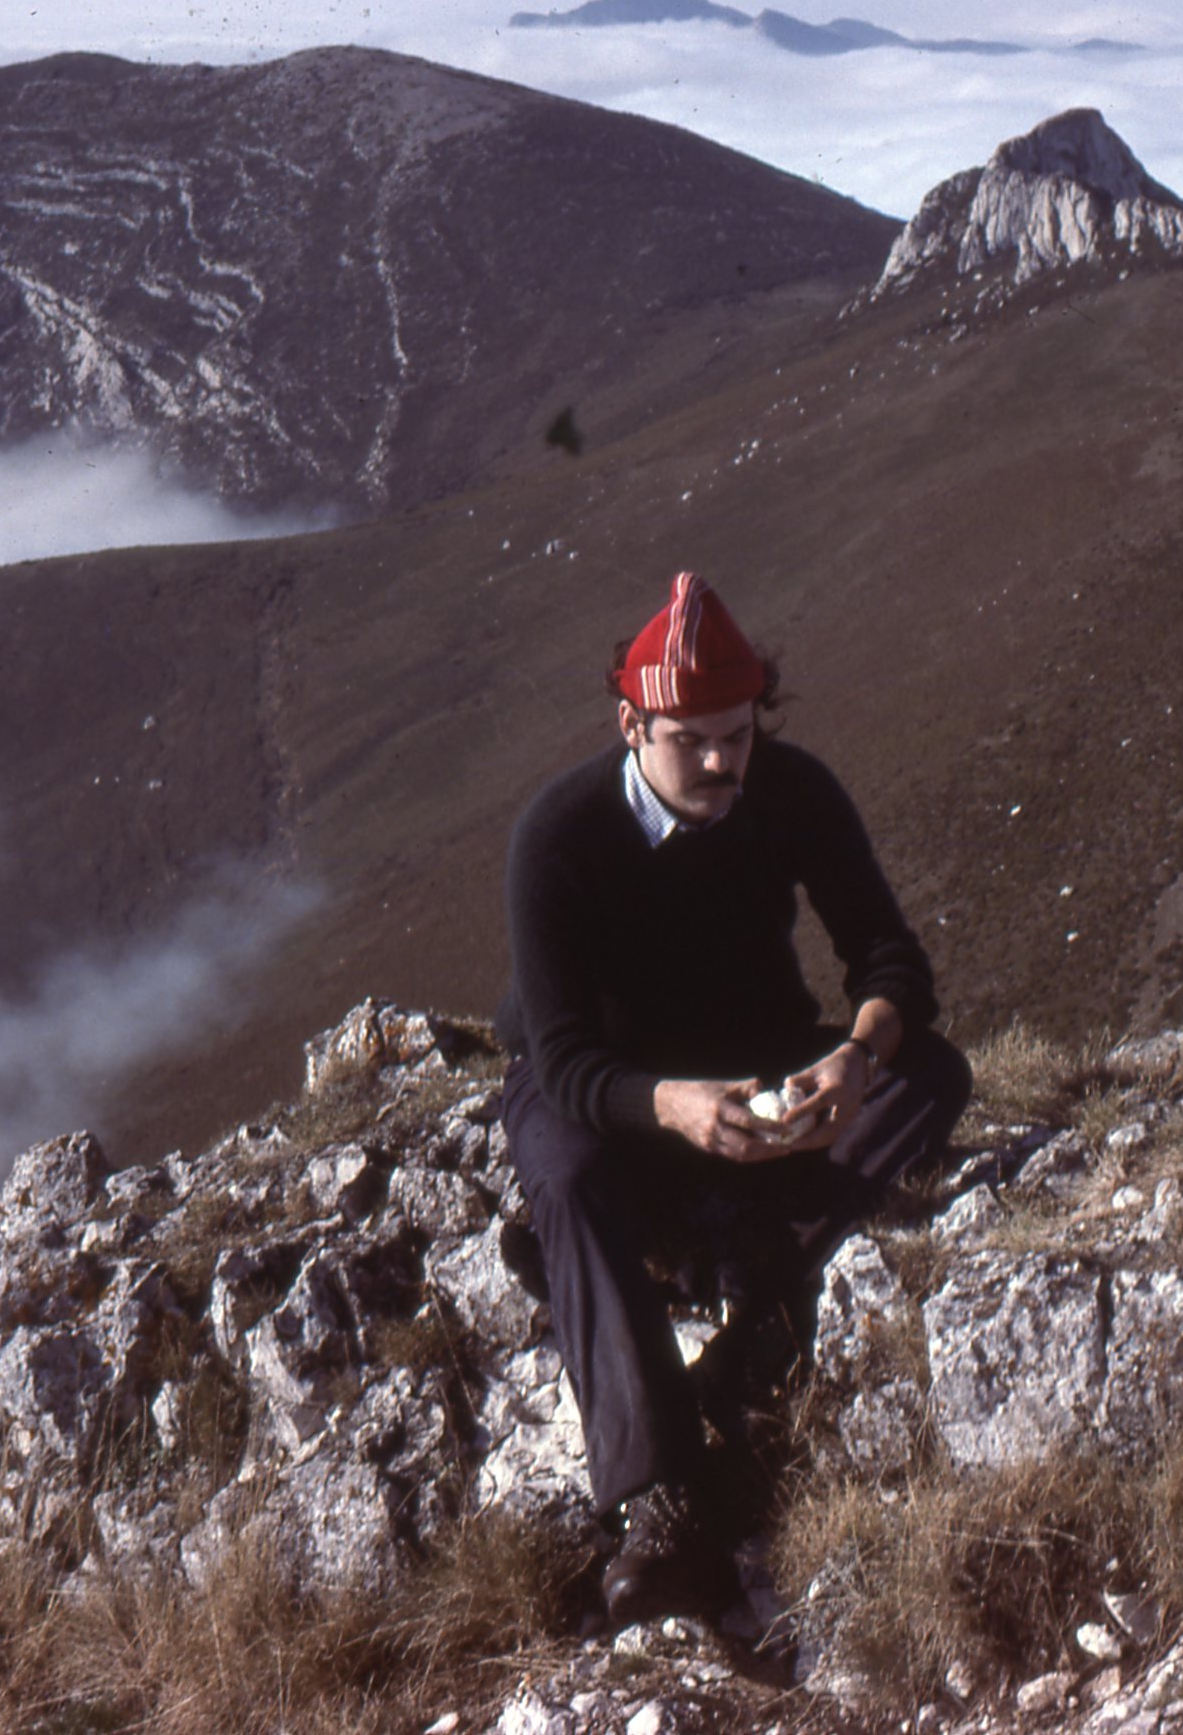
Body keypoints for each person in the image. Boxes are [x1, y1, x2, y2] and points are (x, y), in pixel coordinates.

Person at [495, 571, 971, 1623]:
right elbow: (561, 1057)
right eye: (690, 740)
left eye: (738, 736)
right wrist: (671, 1105)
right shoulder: (558, 835)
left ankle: (750, 1326)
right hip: (609, 1083)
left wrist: (854, 1057)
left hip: (755, 1059)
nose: (720, 762)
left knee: (930, 1072)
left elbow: (890, 960)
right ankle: (658, 1503)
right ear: (631, 725)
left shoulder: (791, 790)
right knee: (566, 1174)